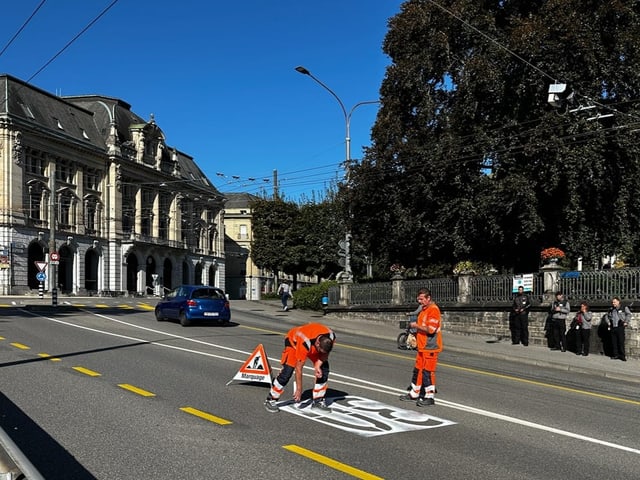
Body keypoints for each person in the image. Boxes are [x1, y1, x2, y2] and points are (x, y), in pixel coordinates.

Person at [264, 323, 336, 413]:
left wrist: (318, 365)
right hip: (293, 343)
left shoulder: (331, 336)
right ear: (317, 343)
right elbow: (298, 368)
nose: (321, 353)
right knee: (287, 372)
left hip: (312, 344)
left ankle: (318, 401)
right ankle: (271, 399)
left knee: (323, 369)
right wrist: (299, 389)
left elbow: (325, 353)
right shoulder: (305, 342)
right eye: (320, 351)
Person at [399, 288, 442, 406]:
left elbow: (431, 329)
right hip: (422, 346)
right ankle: (414, 393)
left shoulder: (433, 310)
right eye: (418, 299)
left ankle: (429, 396)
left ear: (428, 298)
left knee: (428, 372)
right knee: (418, 370)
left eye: (422, 299)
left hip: (430, 347)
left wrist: (416, 326)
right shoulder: (424, 310)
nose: (420, 301)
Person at [606, 297, 631, 361]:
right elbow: (607, 316)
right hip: (613, 327)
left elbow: (629, 314)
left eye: (614, 302)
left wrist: (626, 321)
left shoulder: (623, 307)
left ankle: (622, 355)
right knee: (614, 342)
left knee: (621, 341)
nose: (613, 303)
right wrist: (608, 322)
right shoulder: (611, 309)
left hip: (620, 326)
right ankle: (615, 355)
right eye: (612, 302)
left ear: (618, 302)